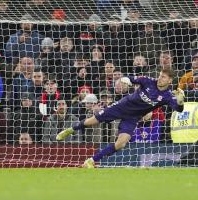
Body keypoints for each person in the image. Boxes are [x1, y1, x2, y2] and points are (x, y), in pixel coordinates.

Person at [56, 69, 185, 168]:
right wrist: (126, 80)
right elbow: (130, 78)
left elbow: (179, 109)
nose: (160, 78)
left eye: (163, 77)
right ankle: (70, 129)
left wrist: (180, 101)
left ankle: (91, 161)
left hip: (133, 118)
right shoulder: (148, 81)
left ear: (170, 80)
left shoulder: (168, 96)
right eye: (160, 75)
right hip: (122, 106)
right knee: (92, 121)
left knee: (121, 143)